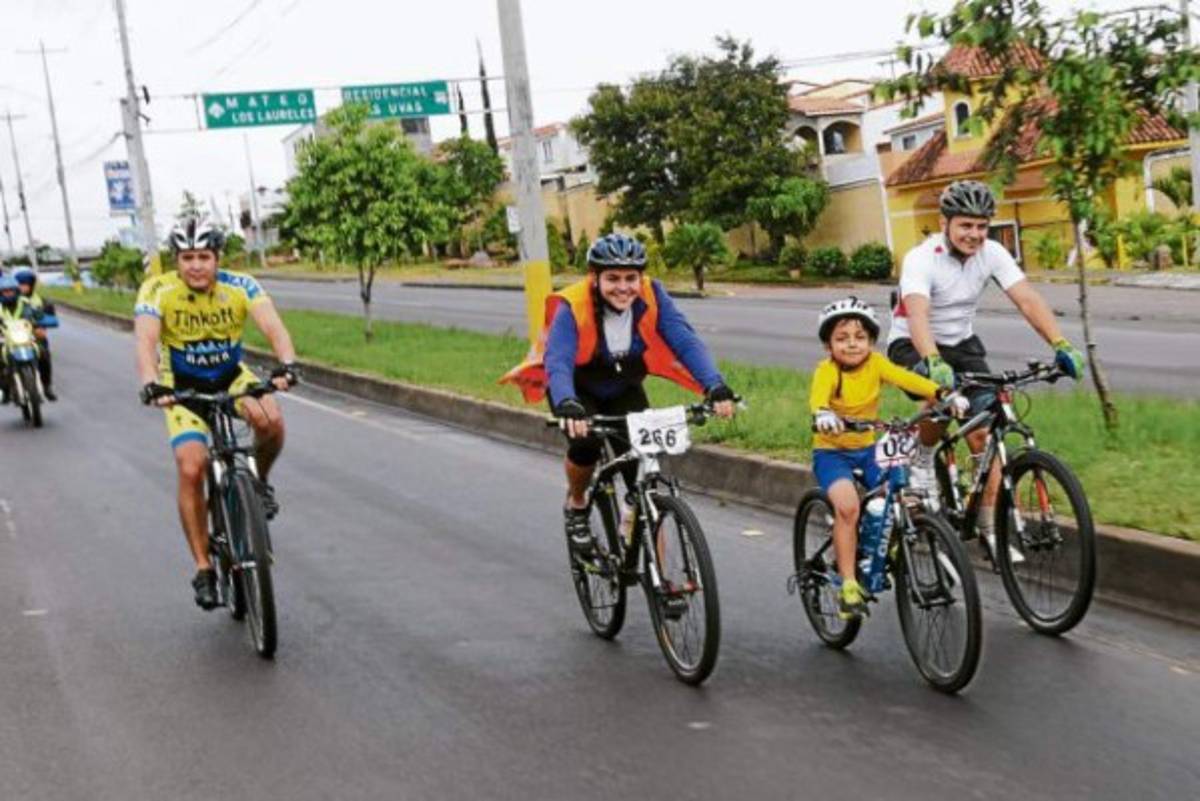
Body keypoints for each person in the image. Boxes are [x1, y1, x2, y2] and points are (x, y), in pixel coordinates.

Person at [886, 179, 1086, 561]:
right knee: (942, 401)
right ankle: (922, 458)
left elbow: (1026, 298)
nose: (975, 234)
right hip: (913, 342)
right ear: (945, 222)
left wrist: (1060, 344)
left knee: (984, 433)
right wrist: (932, 360)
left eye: (981, 226)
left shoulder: (992, 253)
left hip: (962, 344)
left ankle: (990, 529)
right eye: (966, 225)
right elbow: (917, 312)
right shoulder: (921, 258)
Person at [502, 232, 737, 556]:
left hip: (623, 385)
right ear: (594, 278)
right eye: (612, 278)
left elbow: (684, 341)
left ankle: (661, 576)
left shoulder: (653, 295)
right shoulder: (574, 305)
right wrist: (568, 404)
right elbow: (557, 360)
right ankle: (578, 503)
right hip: (576, 386)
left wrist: (715, 385)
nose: (623, 287)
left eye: (631, 278)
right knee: (586, 444)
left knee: (643, 473)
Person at [134, 216, 300, 610]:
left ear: (217, 258)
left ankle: (259, 485)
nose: (195, 265)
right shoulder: (158, 289)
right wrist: (150, 381)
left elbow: (272, 325)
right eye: (187, 257)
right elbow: (145, 339)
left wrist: (287, 364)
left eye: (203, 256)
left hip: (230, 376)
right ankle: (204, 567)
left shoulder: (241, 285)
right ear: (177, 259)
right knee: (191, 466)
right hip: (181, 388)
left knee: (271, 420)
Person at [810, 297, 967, 619]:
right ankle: (849, 584)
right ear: (829, 345)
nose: (852, 345)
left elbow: (907, 379)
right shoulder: (826, 372)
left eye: (859, 338)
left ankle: (882, 547)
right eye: (842, 339)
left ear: (870, 341)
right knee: (849, 507)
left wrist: (942, 394)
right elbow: (818, 398)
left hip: (869, 449)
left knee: (903, 499)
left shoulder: (876, 364)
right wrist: (823, 413)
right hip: (832, 453)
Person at [13, 268, 56, 401]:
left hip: (34, 337)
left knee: (44, 355)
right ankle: (5, 388)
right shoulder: (9, 300)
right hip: (12, 337)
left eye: (26, 284)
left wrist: (43, 327)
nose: (23, 287)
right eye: (20, 284)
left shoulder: (40, 301)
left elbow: (49, 317)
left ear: (32, 285)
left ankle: (47, 386)